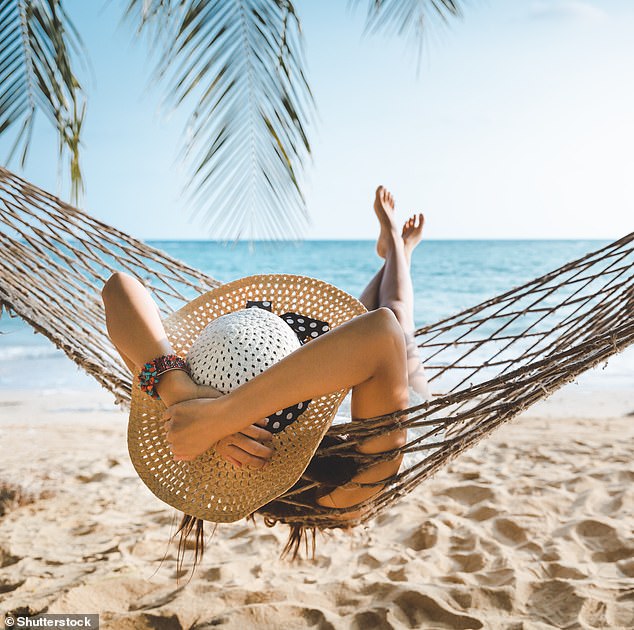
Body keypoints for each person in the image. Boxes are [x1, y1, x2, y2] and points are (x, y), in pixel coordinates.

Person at [101, 185, 429, 560]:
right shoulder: (351, 487)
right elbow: (381, 332)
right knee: (399, 312)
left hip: (323, 379)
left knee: (366, 313)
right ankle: (399, 251)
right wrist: (217, 419)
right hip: (402, 417)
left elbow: (117, 289)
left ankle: (392, 252)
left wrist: (181, 394)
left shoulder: (183, 427)